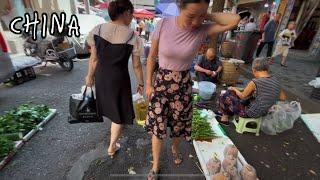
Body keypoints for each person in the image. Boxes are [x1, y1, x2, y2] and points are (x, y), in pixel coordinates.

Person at [144, 0, 240, 178]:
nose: (196, 22)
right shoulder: (163, 23)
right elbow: (151, 58)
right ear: (179, 7)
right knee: (158, 127)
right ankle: (156, 165)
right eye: (191, 16)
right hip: (161, 84)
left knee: (179, 125)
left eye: (201, 17)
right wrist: (148, 84)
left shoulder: (202, 29)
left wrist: (205, 14)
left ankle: (174, 148)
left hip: (183, 85)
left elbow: (234, 20)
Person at [85, 0, 144, 157]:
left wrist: (89, 76)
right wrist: (141, 83)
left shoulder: (97, 29)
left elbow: (94, 59)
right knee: (118, 114)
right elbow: (137, 65)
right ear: (125, 13)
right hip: (119, 79)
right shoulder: (132, 36)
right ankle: (112, 146)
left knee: (112, 108)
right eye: (131, 13)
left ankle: (114, 136)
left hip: (101, 76)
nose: (132, 17)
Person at [217, 58, 286, 126]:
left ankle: (224, 118)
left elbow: (242, 96)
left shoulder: (255, 82)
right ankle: (227, 112)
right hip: (264, 112)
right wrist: (268, 97)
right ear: (267, 69)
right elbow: (283, 98)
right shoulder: (276, 80)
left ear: (254, 70)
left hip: (250, 113)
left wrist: (234, 88)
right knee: (239, 96)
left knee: (225, 94)